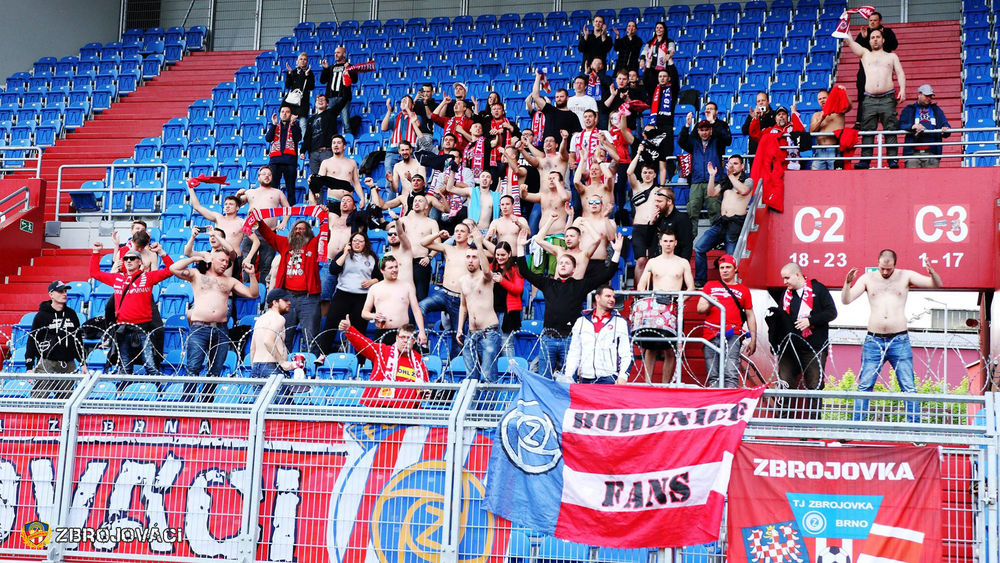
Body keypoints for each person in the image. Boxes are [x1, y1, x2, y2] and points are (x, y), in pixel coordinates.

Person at [841, 249, 941, 422]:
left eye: (889, 269)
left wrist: (932, 272)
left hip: (899, 339)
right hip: (874, 339)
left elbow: (936, 284)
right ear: (878, 263)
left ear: (895, 264)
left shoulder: (905, 276)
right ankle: (856, 427)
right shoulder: (867, 278)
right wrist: (847, 283)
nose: (885, 272)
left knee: (908, 386)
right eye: (882, 268)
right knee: (864, 385)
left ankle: (915, 429)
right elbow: (846, 300)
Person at [516, 229, 623, 379]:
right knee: (544, 378)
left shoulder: (580, 285)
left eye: (567, 263)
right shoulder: (548, 284)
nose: (563, 265)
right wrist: (520, 247)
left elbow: (608, 273)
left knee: (568, 379)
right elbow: (525, 271)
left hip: (570, 340)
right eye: (560, 263)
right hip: (548, 338)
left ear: (574, 269)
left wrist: (617, 252)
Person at [169, 252, 259, 401]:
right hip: (199, 328)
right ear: (211, 260)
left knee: (216, 369)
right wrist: (193, 258)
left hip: (221, 329)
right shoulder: (197, 274)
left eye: (227, 262)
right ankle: (188, 404)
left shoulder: (230, 281)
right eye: (222, 260)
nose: (225, 264)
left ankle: (206, 403)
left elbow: (252, 294)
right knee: (193, 367)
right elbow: (173, 268)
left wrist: (252, 275)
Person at [90, 242, 174, 375]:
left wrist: (162, 252)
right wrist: (96, 252)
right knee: (125, 368)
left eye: (132, 258)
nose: (128, 261)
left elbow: (171, 270)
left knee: (151, 366)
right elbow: (94, 273)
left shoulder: (148, 277)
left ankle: (159, 393)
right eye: (126, 259)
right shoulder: (117, 278)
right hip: (122, 330)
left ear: (140, 262)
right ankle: (122, 393)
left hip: (143, 329)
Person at [770, 263, 837, 418]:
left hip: (813, 347)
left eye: (787, 278)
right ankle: (782, 422)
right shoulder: (786, 295)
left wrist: (811, 321)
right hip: (790, 348)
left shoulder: (818, 289)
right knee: (784, 383)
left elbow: (832, 312)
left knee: (815, 384)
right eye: (783, 278)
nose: (784, 282)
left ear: (798, 275)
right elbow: (781, 319)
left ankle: (813, 423)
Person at [256, 218, 329, 356]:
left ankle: (311, 370)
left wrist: (324, 217)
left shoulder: (313, 244)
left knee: (311, 337)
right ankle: (284, 366)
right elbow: (269, 235)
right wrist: (258, 221)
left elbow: (326, 235)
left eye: (302, 229)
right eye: (296, 228)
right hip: (287, 298)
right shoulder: (285, 244)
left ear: (308, 232)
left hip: (309, 299)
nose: (298, 231)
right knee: (284, 335)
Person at [636, 230, 694, 383]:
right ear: (660, 242)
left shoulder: (683, 262)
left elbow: (691, 288)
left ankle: (665, 385)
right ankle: (648, 384)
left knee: (671, 348)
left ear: (675, 243)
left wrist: (680, 300)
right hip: (655, 306)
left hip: (673, 307)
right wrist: (648, 297)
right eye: (665, 241)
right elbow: (641, 285)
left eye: (671, 241)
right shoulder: (653, 262)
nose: (668, 244)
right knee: (650, 346)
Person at [843, 29, 906, 169]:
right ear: (869, 40)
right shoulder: (865, 54)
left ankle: (892, 160)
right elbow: (851, 43)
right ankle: (865, 160)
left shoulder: (892, 56)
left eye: (878, 37)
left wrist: (902, 89)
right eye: (872, 37)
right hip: (869, 99)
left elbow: (900, 73)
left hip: (887, 98)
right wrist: (846, 29)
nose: (875, 39)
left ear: (883, 40)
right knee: (867, 131)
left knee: (890, 130)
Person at [696, 254, 756, 388]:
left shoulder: (743, 290)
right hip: (711, 333)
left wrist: (753, 338)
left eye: (728, 267)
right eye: (722, 267)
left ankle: (731, 406)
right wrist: (711, 304)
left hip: (733, 334)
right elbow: (700, 309)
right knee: (713, 374)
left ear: (735, 269)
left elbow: (750, 315)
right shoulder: (710, 285)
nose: (724, 270)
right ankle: (716, 406)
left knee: (730, 372)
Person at [340, 318, 429, 408]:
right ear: (397, 338)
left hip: (408, 414)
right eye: (403, 337)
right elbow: (363, 344)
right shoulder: (382, 351)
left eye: (409, 338)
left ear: (414, 341)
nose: (406, 341)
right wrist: (349, 329)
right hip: (379, 409)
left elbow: (425, 389)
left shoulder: (419, 361)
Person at [693, 157, 753, 288]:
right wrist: (711, 176)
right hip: (722, 222)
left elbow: (744, 191)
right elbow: (711, 193)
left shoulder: (748, 180)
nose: (732, 166)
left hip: (736, 223)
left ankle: (731, 286)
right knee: (699, 247)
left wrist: (731, 176)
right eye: (730, 164)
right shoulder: (726, 180)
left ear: (742, 166)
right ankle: (700, 280)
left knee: (731, 258)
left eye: (735, 164)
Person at [319, 231, 380, 355]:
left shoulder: (372, 257)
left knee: (359, 329)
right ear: (350, 243)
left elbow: (380, 277)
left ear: (365, 243)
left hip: (362, 297)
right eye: (355, 241)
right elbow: (333, 269)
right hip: (343, 294)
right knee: (331, 324)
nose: (357, 244)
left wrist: (371, 281)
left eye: (360, 241)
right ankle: (322, 355)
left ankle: (360, 360)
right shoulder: (344, 254)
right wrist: (345, 252)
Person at [25, 281, 86, 398]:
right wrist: (29, 367)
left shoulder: (72, 314)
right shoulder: (41, 316)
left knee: (65, 401)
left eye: (65, 291)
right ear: (51, 294)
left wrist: (82, 362)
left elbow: (77, 339)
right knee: (38, 399)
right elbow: (32, 340)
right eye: (60, 291)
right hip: (48, 361)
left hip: (68, 363)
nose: (64, 294)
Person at [456, 237, 504, 382]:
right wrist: (459, 329)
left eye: (475, 257)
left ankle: (489, 405)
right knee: (471, 377)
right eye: (468, 257)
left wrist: (478, 243)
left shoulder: (486, 277)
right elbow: (463, 305)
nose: (471, 260)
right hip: (471, 333)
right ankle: (472, 406)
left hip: (488, 332)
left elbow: (488, 271)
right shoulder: (462, 280)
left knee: (488, 376)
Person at [564, 284, 631, 384]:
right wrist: (568, 375)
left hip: (609, 378)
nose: (612, 299)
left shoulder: (620, 322)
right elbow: (574, 351)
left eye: (613, 297)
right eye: (608, 296)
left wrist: (623, 376)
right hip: (585, 377)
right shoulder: (581, 321)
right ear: (597, 297)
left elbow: (626, 353)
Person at [236, 167, 290, 285]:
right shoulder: (250, 192)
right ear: (258, 176)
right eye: (264, 174)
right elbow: (236, 205)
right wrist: (237, 195)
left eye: (269, 174)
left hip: (269, 234)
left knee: (266, 265)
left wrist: (284, 222)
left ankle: (262, 293)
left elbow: (287, 209)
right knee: (247, 261)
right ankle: (247, 290)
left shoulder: (277, 192)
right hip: (251, 232)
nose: (267, 176)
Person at [679, 115, 729, 241]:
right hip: (696, 181)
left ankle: (717, 240)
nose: (704, 132)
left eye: (707, 129)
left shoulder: (717, 142)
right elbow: (681, 141)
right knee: (692, 210)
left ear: (711, 130)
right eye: (702, 130)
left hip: (714, 180)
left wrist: (714, 122)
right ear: (698, 131)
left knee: (715, 211)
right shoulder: (694, 143)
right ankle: (690, 241)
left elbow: (727, 138)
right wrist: (686, 125)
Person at [362, 255, 428, 347]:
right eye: (390, 267)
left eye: (396, 266)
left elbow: (416, 310)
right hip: (381, 331)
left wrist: (422, 331)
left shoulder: (407, 286)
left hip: (402, 333)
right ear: (382, 270)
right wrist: (374, 315)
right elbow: (364, 313)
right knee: (381, 361)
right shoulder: (374, 288)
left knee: (403, 361)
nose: (395, 270)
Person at [854, 12, 899, 121]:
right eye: (870, 20)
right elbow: (857, 50)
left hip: (883, 69)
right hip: (865, 70)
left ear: (880, 21)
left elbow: (894, 45)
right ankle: (860, 120)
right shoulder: (864, 33)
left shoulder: (887, 32)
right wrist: (864, 38)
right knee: (862, 94)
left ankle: (886, 116)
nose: (872, 22)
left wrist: (885, 37)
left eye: (875, 20)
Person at [249, 288, 298, 378]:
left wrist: (255, 368)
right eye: (285, 300)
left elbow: (253, 348)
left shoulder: (260, 319)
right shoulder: (279, 318)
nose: (289, 303)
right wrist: (282, 362)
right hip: (273, 367)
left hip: (257, 366)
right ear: (275, 303)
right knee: (281, 393)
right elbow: (268, 341)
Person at [899, 84, 951, 168]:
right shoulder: (909, 109)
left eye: (930, 96)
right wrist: (912, 126)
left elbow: (945, 125)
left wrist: (945, 128)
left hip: (932, 153)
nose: (929, 98)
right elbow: (900, 125)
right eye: (926, 96)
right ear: (919, 94)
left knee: (932, 180)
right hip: (912, 154)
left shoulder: (936, 110)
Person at [313, 134, 366, 208]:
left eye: (338, 143)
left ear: (344, 147)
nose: (336, 145)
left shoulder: (352, 163)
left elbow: (356, 183)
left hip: (348, 202)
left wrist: (362, 198)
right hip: (333, 201)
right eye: (333, 143)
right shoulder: (326, 163)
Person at [808, 87, 852, 170]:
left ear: (830, 98)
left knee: (836, 179)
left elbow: (848, 106)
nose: (822, 100)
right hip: (819, 151)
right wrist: (821, 118)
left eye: (824, 98)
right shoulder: (817, 115)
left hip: (834, 150)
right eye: (819, 99)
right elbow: (811, 131)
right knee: (816, 178)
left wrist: (844, 92)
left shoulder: (838, 111)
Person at [265, 105, 302, 203]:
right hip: (275, 161)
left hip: (290, 161)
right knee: (272, 189)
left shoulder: (295, 125)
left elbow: (298, 138)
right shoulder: (275, 125)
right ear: (280, 114)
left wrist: (293, 124)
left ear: (291, 114)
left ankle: (291, 213)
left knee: (290, 189)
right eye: (282, 112)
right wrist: (273, 124)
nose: (284, 114)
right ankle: (272, 209)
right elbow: (268, 138)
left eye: (287, 112)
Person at [530, 74, 583, 142]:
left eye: (561, 96)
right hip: (547, 149)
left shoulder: (573, 116)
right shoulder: (549, 109)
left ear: (567, 98)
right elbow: (535, 96)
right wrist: (538, 77)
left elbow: (577, 135)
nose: (559, 99)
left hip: (564, 150)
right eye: (557, 97)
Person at [489, 241, 525, 335]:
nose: (500, 257)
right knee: (492, 343)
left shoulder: (515, 269)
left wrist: (502, 281)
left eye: (503, 255)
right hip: (491, 310)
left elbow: (518, 289)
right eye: (497, 254)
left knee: (506, 343)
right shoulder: (490, 268)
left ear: (509, 254)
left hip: (508, 312)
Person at [381, 98, 422, 178]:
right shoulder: (395, 117)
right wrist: (389, 111)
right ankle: (391, 191)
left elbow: (417, 125)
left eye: (407, 102)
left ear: (412, 105)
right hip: (393, 152)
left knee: (411, 177)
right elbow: (383, 128)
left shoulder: (417, 117)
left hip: (410, 152)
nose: (404, 103)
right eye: (402, 101)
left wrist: (408, 110)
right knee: (390, 177)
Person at [319, 46, 354, 134]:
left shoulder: (350, 66)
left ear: (344, 54)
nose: (336, 54)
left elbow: (354, 80)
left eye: (338, 52)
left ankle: (348, 143)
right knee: (329, 122)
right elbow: (322, 81)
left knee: (346, 122)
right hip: (330, 98)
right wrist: (325, 69)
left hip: (344, 98)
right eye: (335, 53)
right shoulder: (331, 67)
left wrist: (348, 69)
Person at [300, 93, 336, 177]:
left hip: (326, 151)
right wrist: (302, 151)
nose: (320, 101)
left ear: (327, 103)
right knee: (315, 181)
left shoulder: (331, 114)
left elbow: (343, 101)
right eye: (318, 100)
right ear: (315, 103)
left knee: (330, 179)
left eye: (323, 99)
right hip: (313, 154)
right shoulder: (311, 119)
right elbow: (307, 137)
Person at [653, 187, 692, 261]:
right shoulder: (657, 218)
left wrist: (683, 266)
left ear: (669, 202)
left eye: (659, 201)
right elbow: (648, 243)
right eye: (655, 201)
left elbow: (686, 246)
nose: (656, 204)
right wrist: (651, 223)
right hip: (658, 263)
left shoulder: (682, 218)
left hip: (675, 264)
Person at [283, 52, 315, 132]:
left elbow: (311, 87)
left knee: (302, 124)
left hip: (303, 102)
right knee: (289, 124)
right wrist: (289, 74)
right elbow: (287, 85)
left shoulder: (309, 72)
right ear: (297, 61)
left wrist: (306, 76)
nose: (303, 61)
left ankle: (303, 143)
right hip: (292, 101)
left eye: (305, 59)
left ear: (307, 62)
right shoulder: (293, 71)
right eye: (301, 59)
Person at [640, 21, 676, 92]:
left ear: (664, 30)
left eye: (661, 28)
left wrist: (668, 54)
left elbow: (671, 49)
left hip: (664, 70)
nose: (658, 29)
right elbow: (644, 51)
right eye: (657, 28)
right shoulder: (650, 42)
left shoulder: (669, 41)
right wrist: (642, 59)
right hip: (652, 70)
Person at [741, 92, 776, 158]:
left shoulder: (774, 114)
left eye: (763, 100)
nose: (761, 103)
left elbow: (774, 128)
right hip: (755, 152)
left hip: (769, 152)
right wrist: (754, 118)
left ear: (768, 101)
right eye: (758, 101)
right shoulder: (753, 115)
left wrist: (763, 117)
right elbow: (744, 130)